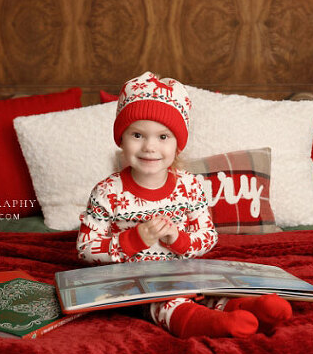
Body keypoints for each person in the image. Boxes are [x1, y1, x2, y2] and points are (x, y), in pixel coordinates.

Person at [77, 71, 292, 338]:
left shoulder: (189, 186)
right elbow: (85, 249)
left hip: (187, 275)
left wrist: (179, 239)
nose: (149, 147)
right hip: (138, 285)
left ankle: (253, 306)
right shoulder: (107, 192)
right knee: (165, 304)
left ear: (179, 144)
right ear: (120, 139)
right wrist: (133, 240)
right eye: (137, 135)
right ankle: (211, 324)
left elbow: (208, 236)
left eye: (163, 137)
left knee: (207, 293)